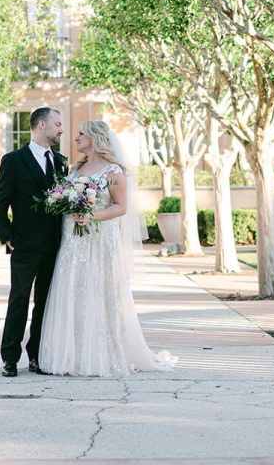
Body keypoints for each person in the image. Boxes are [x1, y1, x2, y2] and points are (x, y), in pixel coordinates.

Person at [37, 120, 177, 377]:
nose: (76, 138)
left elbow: (121, 207)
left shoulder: (113, 171)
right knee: (72, 289)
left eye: (81, 134)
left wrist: (91, 216)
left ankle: (102, 355)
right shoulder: (75, 168)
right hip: (72, 241)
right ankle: (69, 356)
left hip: (99, 241)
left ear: (95, 138)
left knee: (99, 291)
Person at [0, 106, 68, 377]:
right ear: (41, 125)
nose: (61, 129)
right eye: (57, 124)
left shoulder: (61, 162)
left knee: (45, 302)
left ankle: (36, 355)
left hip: (55, 245)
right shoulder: (13, 160)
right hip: (24, 244)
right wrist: (7, 236)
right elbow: (0, 202)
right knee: (19, 299)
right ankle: (10, 358)